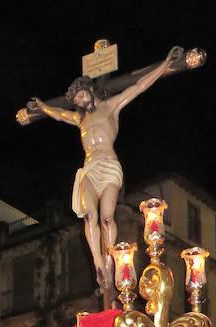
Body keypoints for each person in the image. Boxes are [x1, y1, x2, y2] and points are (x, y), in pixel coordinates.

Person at [31, 47, 181, 295]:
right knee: (89, 217)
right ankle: (99, 263)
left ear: (89, 90)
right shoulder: (80, 120)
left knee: (107, 218)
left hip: (109, 167)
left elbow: (140, 86)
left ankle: (110, 259)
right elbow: (58, 115)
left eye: (80, 96)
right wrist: (42, 106)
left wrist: (165, 63)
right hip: (89, 169)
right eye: (75, 101)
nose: (78, 102)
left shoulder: (111, 106)